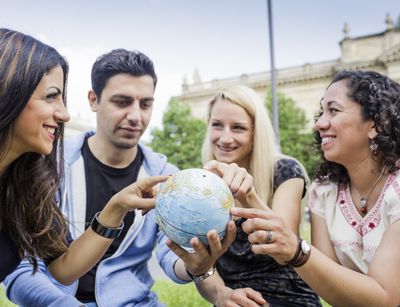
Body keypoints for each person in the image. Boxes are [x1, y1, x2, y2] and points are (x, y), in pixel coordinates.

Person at [4, 48, 235, 306]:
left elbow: (170, 254)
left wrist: (195, 265)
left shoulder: (167, 177)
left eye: (145, 104)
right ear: (93, 100)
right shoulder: (43, 164)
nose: (136, 116)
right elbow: (22, 270)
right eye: (122, 101)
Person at [0, 28, 168, 287]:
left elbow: (62, 269)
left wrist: (116, 208)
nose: (65, 114)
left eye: (145, 104)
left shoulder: (22, 181)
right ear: (9, 91)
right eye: (51, 96)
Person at [232, 70, 400, 306]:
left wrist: (297, 250)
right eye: (322, 111)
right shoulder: (324, 191)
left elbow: (388, 299)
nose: (320, 123)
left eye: (334, 110)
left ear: (376, 124)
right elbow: (329, 289)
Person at [168, 85, 321, 306]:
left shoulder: (286, 171)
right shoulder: (203, 187)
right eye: (217, 125)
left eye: (238, 128)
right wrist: (221, 294)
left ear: (255, 133)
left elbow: (283, 251)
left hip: (289, 300)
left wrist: (248, 196)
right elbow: (203, 269)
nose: (225, 138)